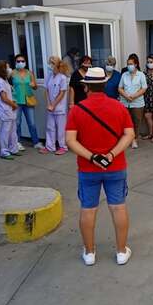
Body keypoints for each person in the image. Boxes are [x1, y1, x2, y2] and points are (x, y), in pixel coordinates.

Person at [65, 67, 135, 266]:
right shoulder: (119, 107)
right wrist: (111, 154)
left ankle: (89, 253)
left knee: (88, 209)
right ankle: (121, 252)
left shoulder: (77, 110)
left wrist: (92, 157)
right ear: (105, 84)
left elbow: (70, 140)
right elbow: (129, 135)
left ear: (86, 86)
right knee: (118, 207)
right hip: (115, 166)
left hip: (88, 169)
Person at [11, 54, 44, 150]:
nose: (20, 63)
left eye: (22, 61)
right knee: (17, 123)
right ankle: (17, 142)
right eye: (18, 61)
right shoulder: (12, 73)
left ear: (25, 62)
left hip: (28, 100)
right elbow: (8, 86)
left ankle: (36, 142)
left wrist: (34, 85)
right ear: (15, 62)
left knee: (32, 123)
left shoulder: (29, 73)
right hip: (16, 101)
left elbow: (35, 87)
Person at [40, 56, 69, 155]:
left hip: (60, 108)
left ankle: (63, 147)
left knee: (61, 128)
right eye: (49, 63)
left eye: (52, 63)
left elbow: (62, 93)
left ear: (56, 64)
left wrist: (53, 105)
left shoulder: (63, 77)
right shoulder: (49, 76)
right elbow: (47, 90)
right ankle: (50, 146)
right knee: (50, 127)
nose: (50, 65)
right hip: (50, 108)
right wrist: (49, 104)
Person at [118, 55, 147, 149]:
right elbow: (120, 88)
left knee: (136, 122)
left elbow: (144, 88)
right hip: (125, 102)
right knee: (125, 122)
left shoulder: (141, 75)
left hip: (137, 103)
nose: (129, 66)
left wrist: (134, 96)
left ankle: (134, 139)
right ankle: (126, 139)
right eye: (128, 64)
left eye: (131, 64)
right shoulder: (124, 75)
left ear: (136, 64)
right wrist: (126, 96)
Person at [0, 61, 19, 160]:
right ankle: (4, 151)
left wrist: (13, 104)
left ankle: (14, 149)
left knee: (13, 132)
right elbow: (3, 97)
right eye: (7, 67)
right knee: (5, 132)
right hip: (4, 110)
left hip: (10, 110)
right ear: (2, 69)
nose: (9, 69)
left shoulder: (5, 80)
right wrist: (13, 105)